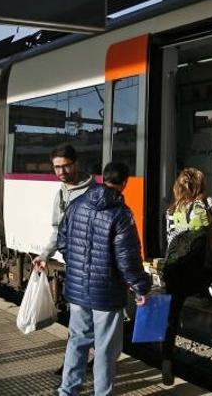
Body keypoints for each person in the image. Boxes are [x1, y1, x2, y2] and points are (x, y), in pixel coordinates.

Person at [56, 161, 150, 396]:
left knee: (77, 340)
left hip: (78, 291)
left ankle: (67, 390)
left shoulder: (77, 204)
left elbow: (63, 243)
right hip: (106, 294)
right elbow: (127, 259)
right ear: (125, 183)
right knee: (106, 349)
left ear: (101, 178)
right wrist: (141, 288)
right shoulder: (120, 213)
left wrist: (78, 268)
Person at [160, 168, 212, 385]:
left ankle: (167, 358)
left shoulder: (170, 210)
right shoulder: (204, 206)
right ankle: (205, 294)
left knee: (172, 317)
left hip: (173, 270)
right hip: (195, 276)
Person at [32, 145, 96, 272]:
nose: (61, 171)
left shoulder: (94, 193)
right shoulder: (61, 194)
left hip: (93, 267)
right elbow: (58, 230)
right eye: (57, 167)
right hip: (73, 265)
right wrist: (45, 255)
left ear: (76, 164)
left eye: (65, 166)